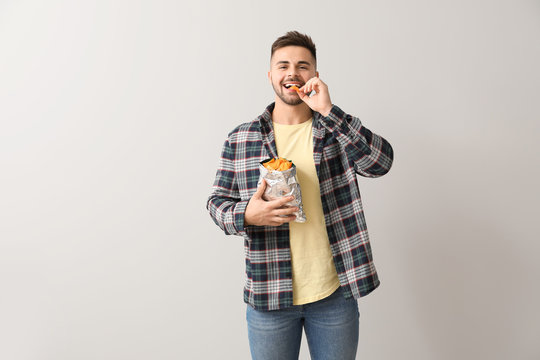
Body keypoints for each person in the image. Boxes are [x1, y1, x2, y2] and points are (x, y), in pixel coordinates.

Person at [206, 31, 393, 360]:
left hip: (334, 294)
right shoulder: (241, 138)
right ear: (271, 76)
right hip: (269, 296)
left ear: (315, 76)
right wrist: (247, 216)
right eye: (283, 65)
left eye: (302, 65)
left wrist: (329, 110)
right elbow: (216, 204)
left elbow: (381, 163)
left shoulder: (335, 131)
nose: (293, 72)